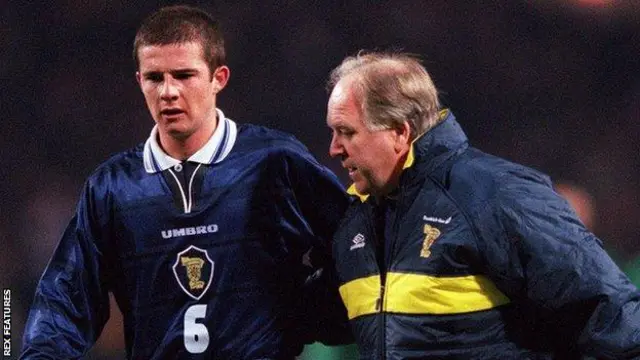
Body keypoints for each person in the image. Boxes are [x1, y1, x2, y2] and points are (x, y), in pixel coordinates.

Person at [20, 5, 352, 359]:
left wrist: (312, 313)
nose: (168, 92)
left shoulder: (274, 163)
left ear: (218, 78)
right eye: (155, 77)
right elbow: (65, 299)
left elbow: (353, 245)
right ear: (139, 81)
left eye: (183, 75)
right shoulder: (113, 188)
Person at [325, 51, 640, 359]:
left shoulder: (495, 195)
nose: (334, 149)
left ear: (399, 132)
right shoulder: (354, 222)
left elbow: (611, 317)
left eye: (346, 132)